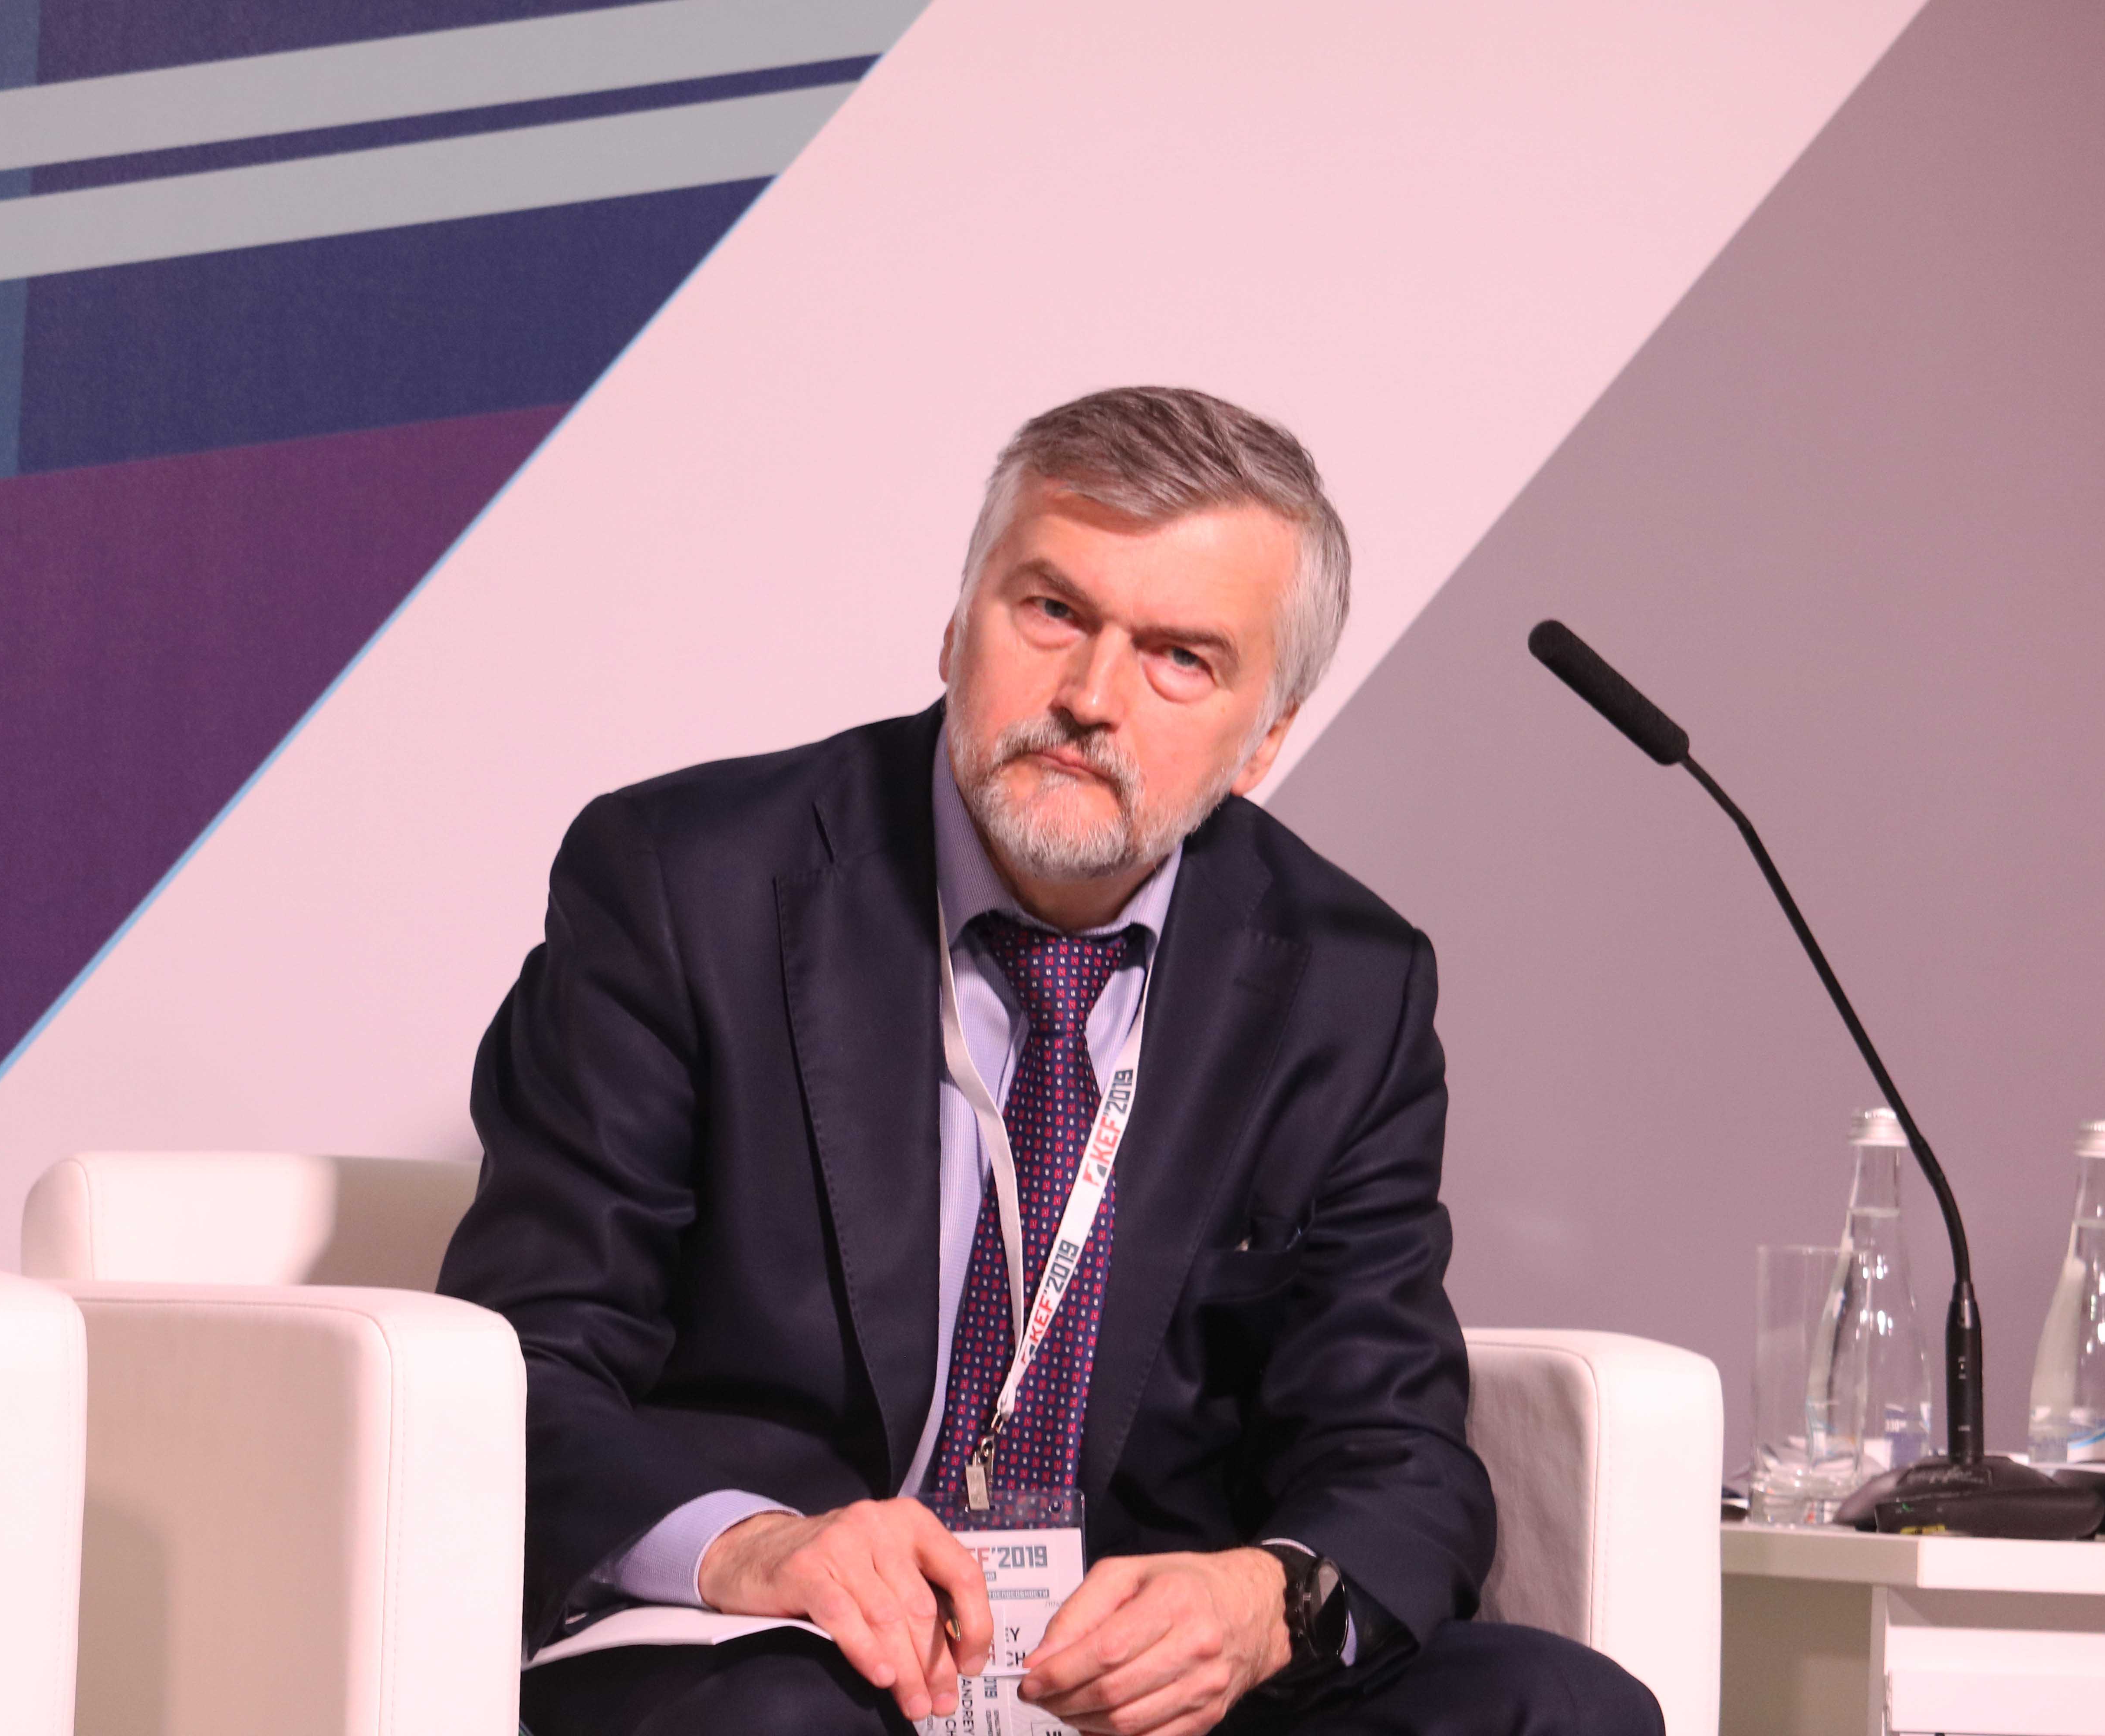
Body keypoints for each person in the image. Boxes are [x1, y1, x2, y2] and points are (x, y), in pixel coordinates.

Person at [440, 387, 1663, 1735]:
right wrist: (754, 1546)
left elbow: (1395, 1451)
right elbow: (528, 1360)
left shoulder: (1345, 981)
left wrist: (1264, 1600)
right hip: (779, 1645)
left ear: (1266, 737)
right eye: (1053, 612)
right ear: (957, 623)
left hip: (1121, 1682)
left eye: (1180, 657)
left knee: (1559, 1708)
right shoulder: (688, 883)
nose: (1089, 699)